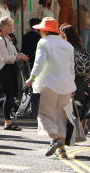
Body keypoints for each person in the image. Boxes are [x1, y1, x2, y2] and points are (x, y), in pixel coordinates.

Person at [25, 17, 75, 159]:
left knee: (43, 114)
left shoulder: (44, 42)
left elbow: (39, 63)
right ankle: (62, 150)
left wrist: (31, 78)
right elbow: (71, 68)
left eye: (40, 30)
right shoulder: (67, 45)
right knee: (60, 117)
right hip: (65, 86)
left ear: (45, 31)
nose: (40, 32)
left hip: (47, 84)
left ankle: (55, 139)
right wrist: (72, 85)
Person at [0, 17, 28, 131]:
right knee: (9, 95)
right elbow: (5, 58)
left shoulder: (7, 38)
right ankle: (7, 122)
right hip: (3, 69)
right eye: (9, 25)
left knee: (10, 94)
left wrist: (19, 55)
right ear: (2, 27)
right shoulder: (0, 40)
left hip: (10, 68)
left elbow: (12, 54)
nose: (11, 27)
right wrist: (19, 57)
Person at [60, 23, 90, 136]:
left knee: (68, 106)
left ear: (64, 34)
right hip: (81, 78)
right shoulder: (79, 47)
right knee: (78, 104)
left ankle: (71, 132)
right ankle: (82, 125)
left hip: (71, 78)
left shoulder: (66, 47)